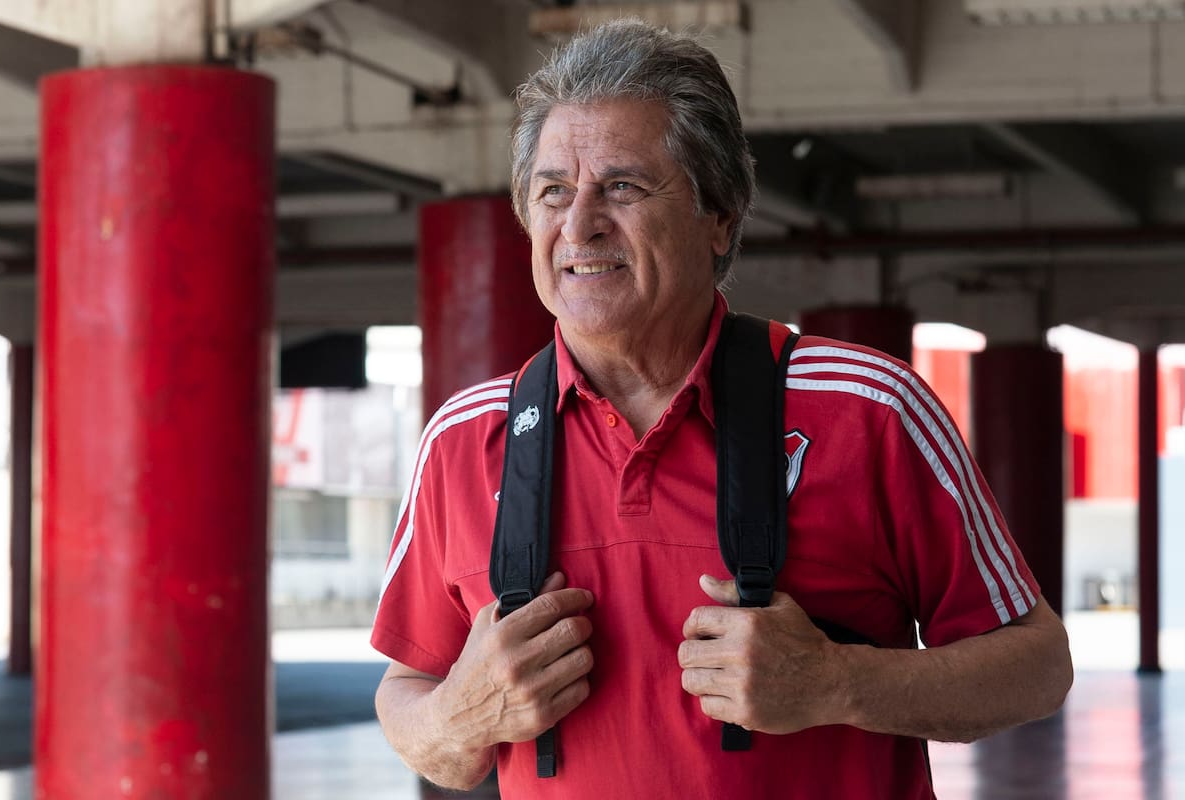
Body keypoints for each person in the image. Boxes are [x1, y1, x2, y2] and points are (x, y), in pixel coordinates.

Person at [371, 19, 1073, 799]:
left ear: (721, 218)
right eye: (553, 191)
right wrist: (459, 717)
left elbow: (1037, 666)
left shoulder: (871, 411)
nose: (580, 223)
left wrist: (839, 681)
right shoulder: (466, 440)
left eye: (623, 186)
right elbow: (408, 691)